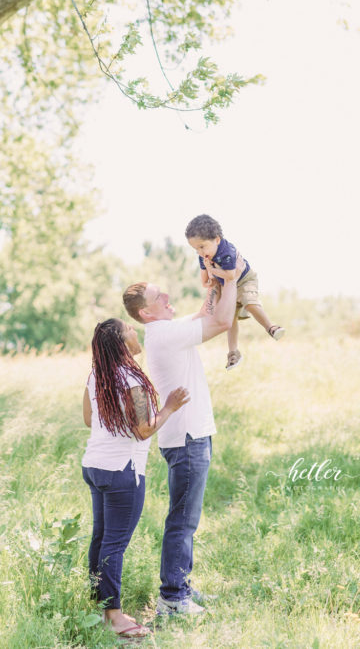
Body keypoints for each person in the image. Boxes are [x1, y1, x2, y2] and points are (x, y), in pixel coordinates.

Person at [121, 259, 238, 616]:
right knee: (183, 520)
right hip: (187, 439)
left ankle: (181, 586)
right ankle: (172, 598)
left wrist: (216, 280)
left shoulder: (168, 328)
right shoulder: (163, 334)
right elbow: (220, 321)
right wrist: (233, 278)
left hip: (193, 433)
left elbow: (206, 311)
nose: (168, 296)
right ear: (146, 313)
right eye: (160, 296)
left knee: (187, 517)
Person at [81, 318, 191, 638]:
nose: (136, 332)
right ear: (121, 342)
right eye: (130, 330)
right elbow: (143, 429)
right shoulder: (131, 378)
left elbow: (89, 418)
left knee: (101, 539)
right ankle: (114, 617)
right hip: (121, 471)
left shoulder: (97, 376)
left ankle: (101, 610)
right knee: (114, 544)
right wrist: (169, 407)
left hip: (95, 465)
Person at [185, 213, 285, 370]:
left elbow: (232, 275)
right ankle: (233, 352)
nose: (199, 252)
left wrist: (212, 270)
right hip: (228, 287)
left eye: (202, 246)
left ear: (217, 240)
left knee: (249, 301)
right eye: (195, 248)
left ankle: (270, 327)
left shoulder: (227, 251)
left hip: (245, 280)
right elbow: (205, 282)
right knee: (229, 318)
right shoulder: (203, 256)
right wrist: (211, 276)